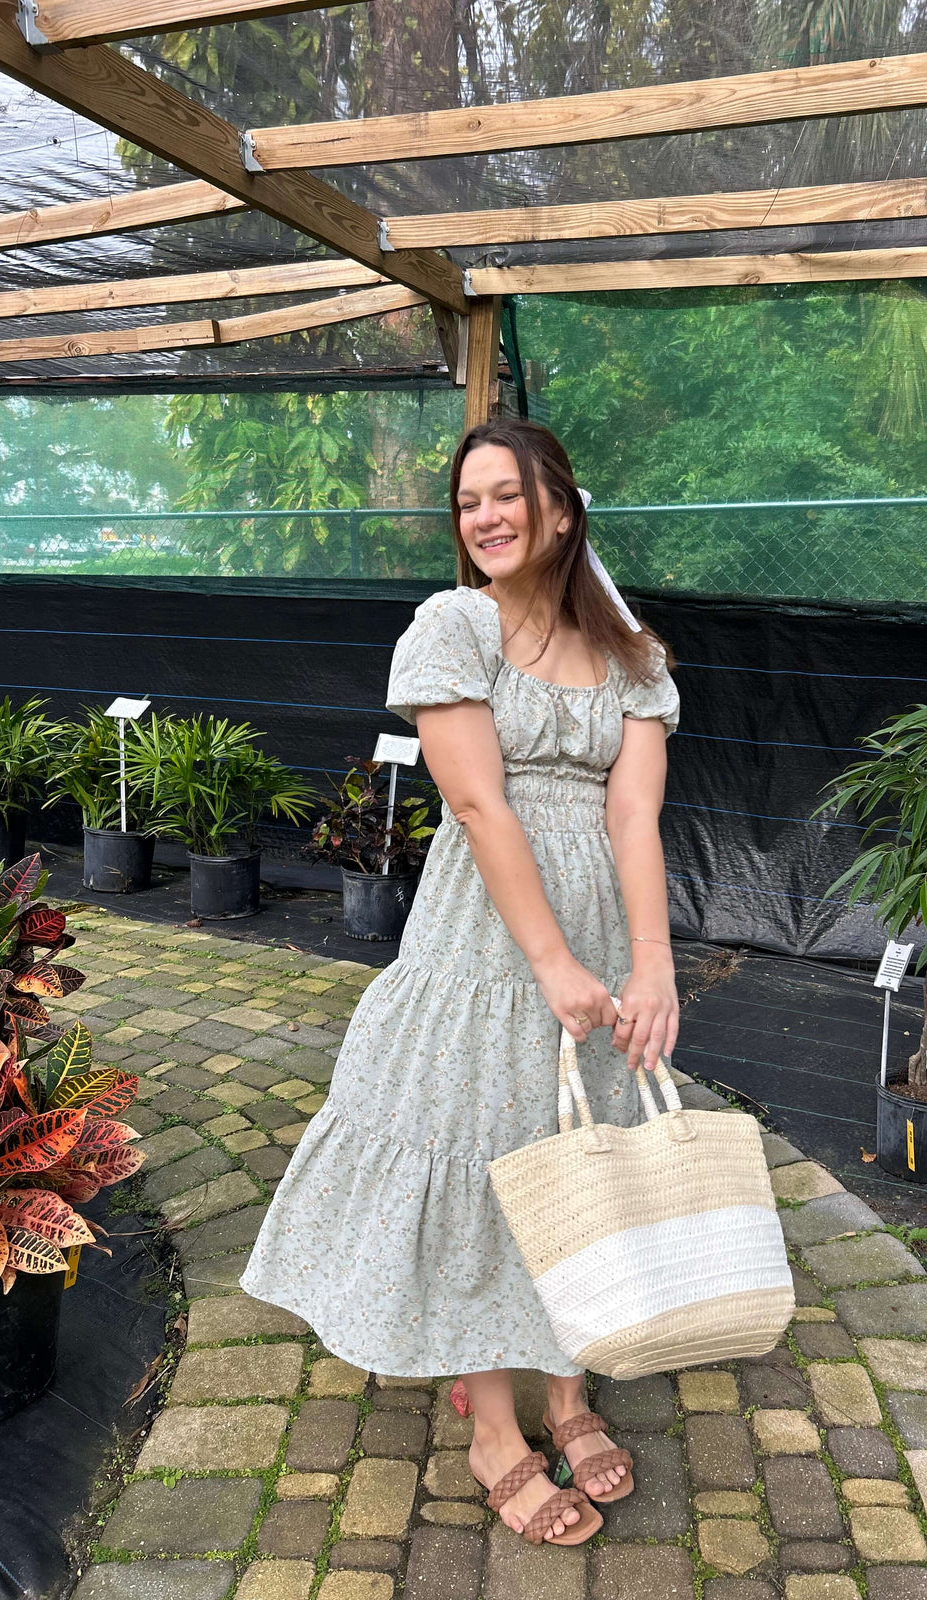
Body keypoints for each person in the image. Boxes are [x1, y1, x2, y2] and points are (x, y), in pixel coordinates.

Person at [242, 417, 680, 1548]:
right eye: (468, 500)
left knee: (581, 1151)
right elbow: (480, 803)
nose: (485, 516)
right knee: (489, 1148)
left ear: (563, 513)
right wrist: (552, 963)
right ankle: (496, 1430)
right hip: (491, 934)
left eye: (507, 495)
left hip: (595, 918)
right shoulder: (454, 625)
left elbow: (634, 813)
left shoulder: (633, 655)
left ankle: (568, 1389)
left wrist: (650, 964)